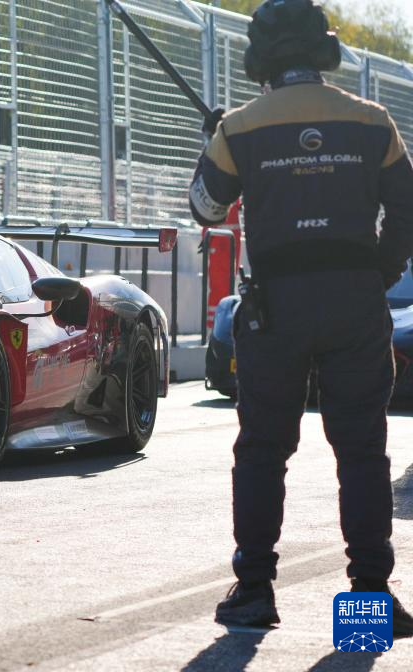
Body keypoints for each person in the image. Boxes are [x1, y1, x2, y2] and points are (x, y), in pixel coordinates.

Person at [188, 0, 413, 634]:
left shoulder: (240, 128)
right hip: (355, 304)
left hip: (274, 310)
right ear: (325, 51)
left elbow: (205, 209)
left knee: (263, 449)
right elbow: (408, 208)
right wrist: (379, 273)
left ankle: (254, 593)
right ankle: (368, 604)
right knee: (362, 450)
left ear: (258, 58)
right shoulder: (372, 120)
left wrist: (215, 141)